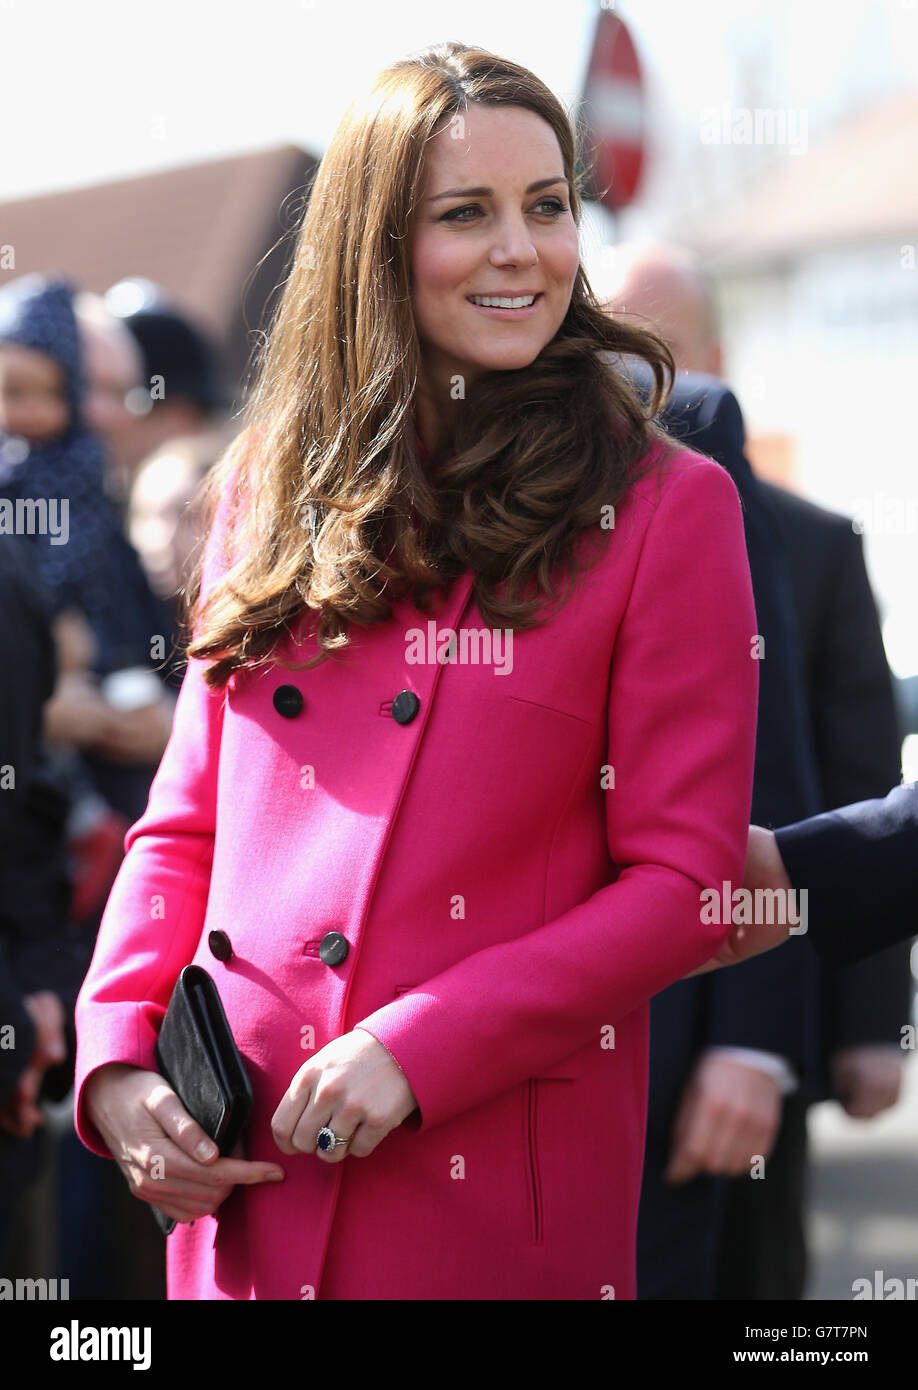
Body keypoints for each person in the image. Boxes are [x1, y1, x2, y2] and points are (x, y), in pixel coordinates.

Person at [72, 41, 759, 1301]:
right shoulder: (268, 488)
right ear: (373, 248)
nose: (524, 250)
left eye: (547, 205)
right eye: (466, 214)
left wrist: (426, 1042)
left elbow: (688, 881)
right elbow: (184, 826)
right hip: (241, 1190)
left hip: (489, 1195)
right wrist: (118, 1063)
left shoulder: (669, 505)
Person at [599, 240, 910, 1299]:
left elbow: (824, 779)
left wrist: (855, 1026)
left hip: (753, 982)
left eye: (662, 346)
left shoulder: (808, 540)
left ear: (714, 357)